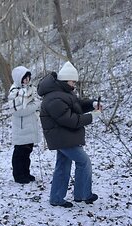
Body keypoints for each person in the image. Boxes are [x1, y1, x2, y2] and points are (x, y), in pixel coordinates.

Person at [37, 61, 103, 208]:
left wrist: (91, 104)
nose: (74, 84)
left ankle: (57, 198)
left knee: (63, 165)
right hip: (63, 138)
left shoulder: (63, 93)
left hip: (64, 137)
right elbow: (70, 120)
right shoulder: (54, 98)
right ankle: (83, 194)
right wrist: (93, 116)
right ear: (66, 80)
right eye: (73, 81)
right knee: (83, 161)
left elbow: (76, 105)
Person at [8, 66, 41, 184]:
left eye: (28, 77)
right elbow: (19, 111)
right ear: (18, 79)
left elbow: (37, 101)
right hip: (21, 128)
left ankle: (26, 173)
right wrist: (34, 105)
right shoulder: (14, 91)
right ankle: (18, 175)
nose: (27, 80)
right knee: (20, 153)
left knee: (27, 153)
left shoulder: (31, 89)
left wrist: (34, 105)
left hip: (30, 126)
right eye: (24, 78)